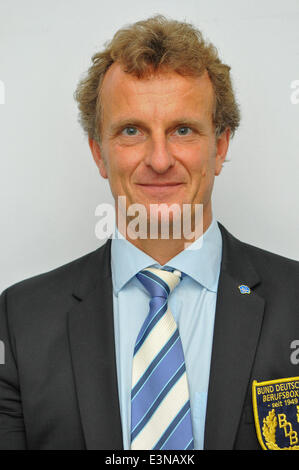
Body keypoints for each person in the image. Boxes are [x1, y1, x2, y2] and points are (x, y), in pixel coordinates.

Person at [0, 15, 298, 451]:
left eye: (182, 130)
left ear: (221, 146)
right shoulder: (19, 320)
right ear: (99, 153)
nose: (159, 160)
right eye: (132, 131)